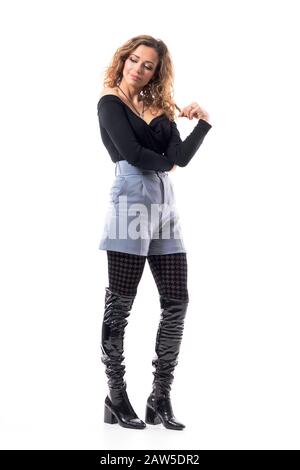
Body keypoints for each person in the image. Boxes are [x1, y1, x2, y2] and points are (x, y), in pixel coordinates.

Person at [96, 35, 212, 430]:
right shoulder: (110, 102)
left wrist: (202, 124)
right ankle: (116, 396)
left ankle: (159, 398)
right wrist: (165, 160)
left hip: (165, 206)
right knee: (121, 304)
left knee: (177, 300)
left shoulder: (160, 106)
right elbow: (132, 153)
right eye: (134, 60)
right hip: (130, 200)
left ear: (157, 71)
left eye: (148, 65)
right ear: (124, 59)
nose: (139, 69)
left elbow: (179, 158)